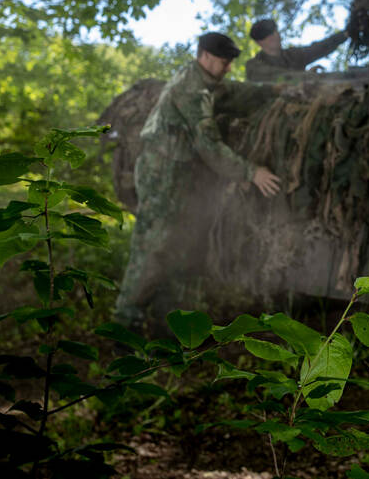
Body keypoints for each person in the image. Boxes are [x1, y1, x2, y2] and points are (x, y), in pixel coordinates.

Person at [115, 31, 281, 328]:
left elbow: (233, 91)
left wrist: (276, 90)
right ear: (205, 56)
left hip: (176, 173)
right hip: (162, 173)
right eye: (224, 61)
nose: (228, 67)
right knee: (153, 248)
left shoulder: (202, 78)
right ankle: (124, 325)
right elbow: (209, 147)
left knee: (178, 247)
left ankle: (167, 325)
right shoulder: (192, 91)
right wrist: (251, 172)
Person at [245, 17, 350, 82]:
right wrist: (306, 76)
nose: (274, 36)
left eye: (274, 31)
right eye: (267, 35)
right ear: (259, 42)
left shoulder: (293, 55)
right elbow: (277, 77)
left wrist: (345, 34)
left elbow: (319, 48)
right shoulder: (254, 65)